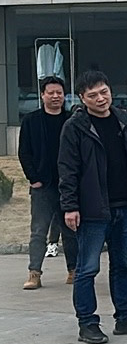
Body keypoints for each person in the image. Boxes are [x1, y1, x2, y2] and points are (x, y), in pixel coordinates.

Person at [58, 70, 127, 344]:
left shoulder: (125, 120)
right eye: (93, 95)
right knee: (87, 269)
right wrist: (70, 206)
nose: (100, 99)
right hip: (92, 210)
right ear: (82, 98)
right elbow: (67, 170)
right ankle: (88, 323)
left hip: (126, 207)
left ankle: (125, 318)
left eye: (104, 92)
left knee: (123, 266)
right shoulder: (75, 127)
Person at [20, 76, 78, 289]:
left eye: (59, 93)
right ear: (42, 95)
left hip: (68, 185)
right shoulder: (31, 120)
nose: (55, 96)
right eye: (51, 93)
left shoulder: (72, 120)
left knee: (71, 230)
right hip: (42, 186)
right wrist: (34, 179)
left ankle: (74, 271)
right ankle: (34, 273)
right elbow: (24, 152)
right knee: (38, 231)